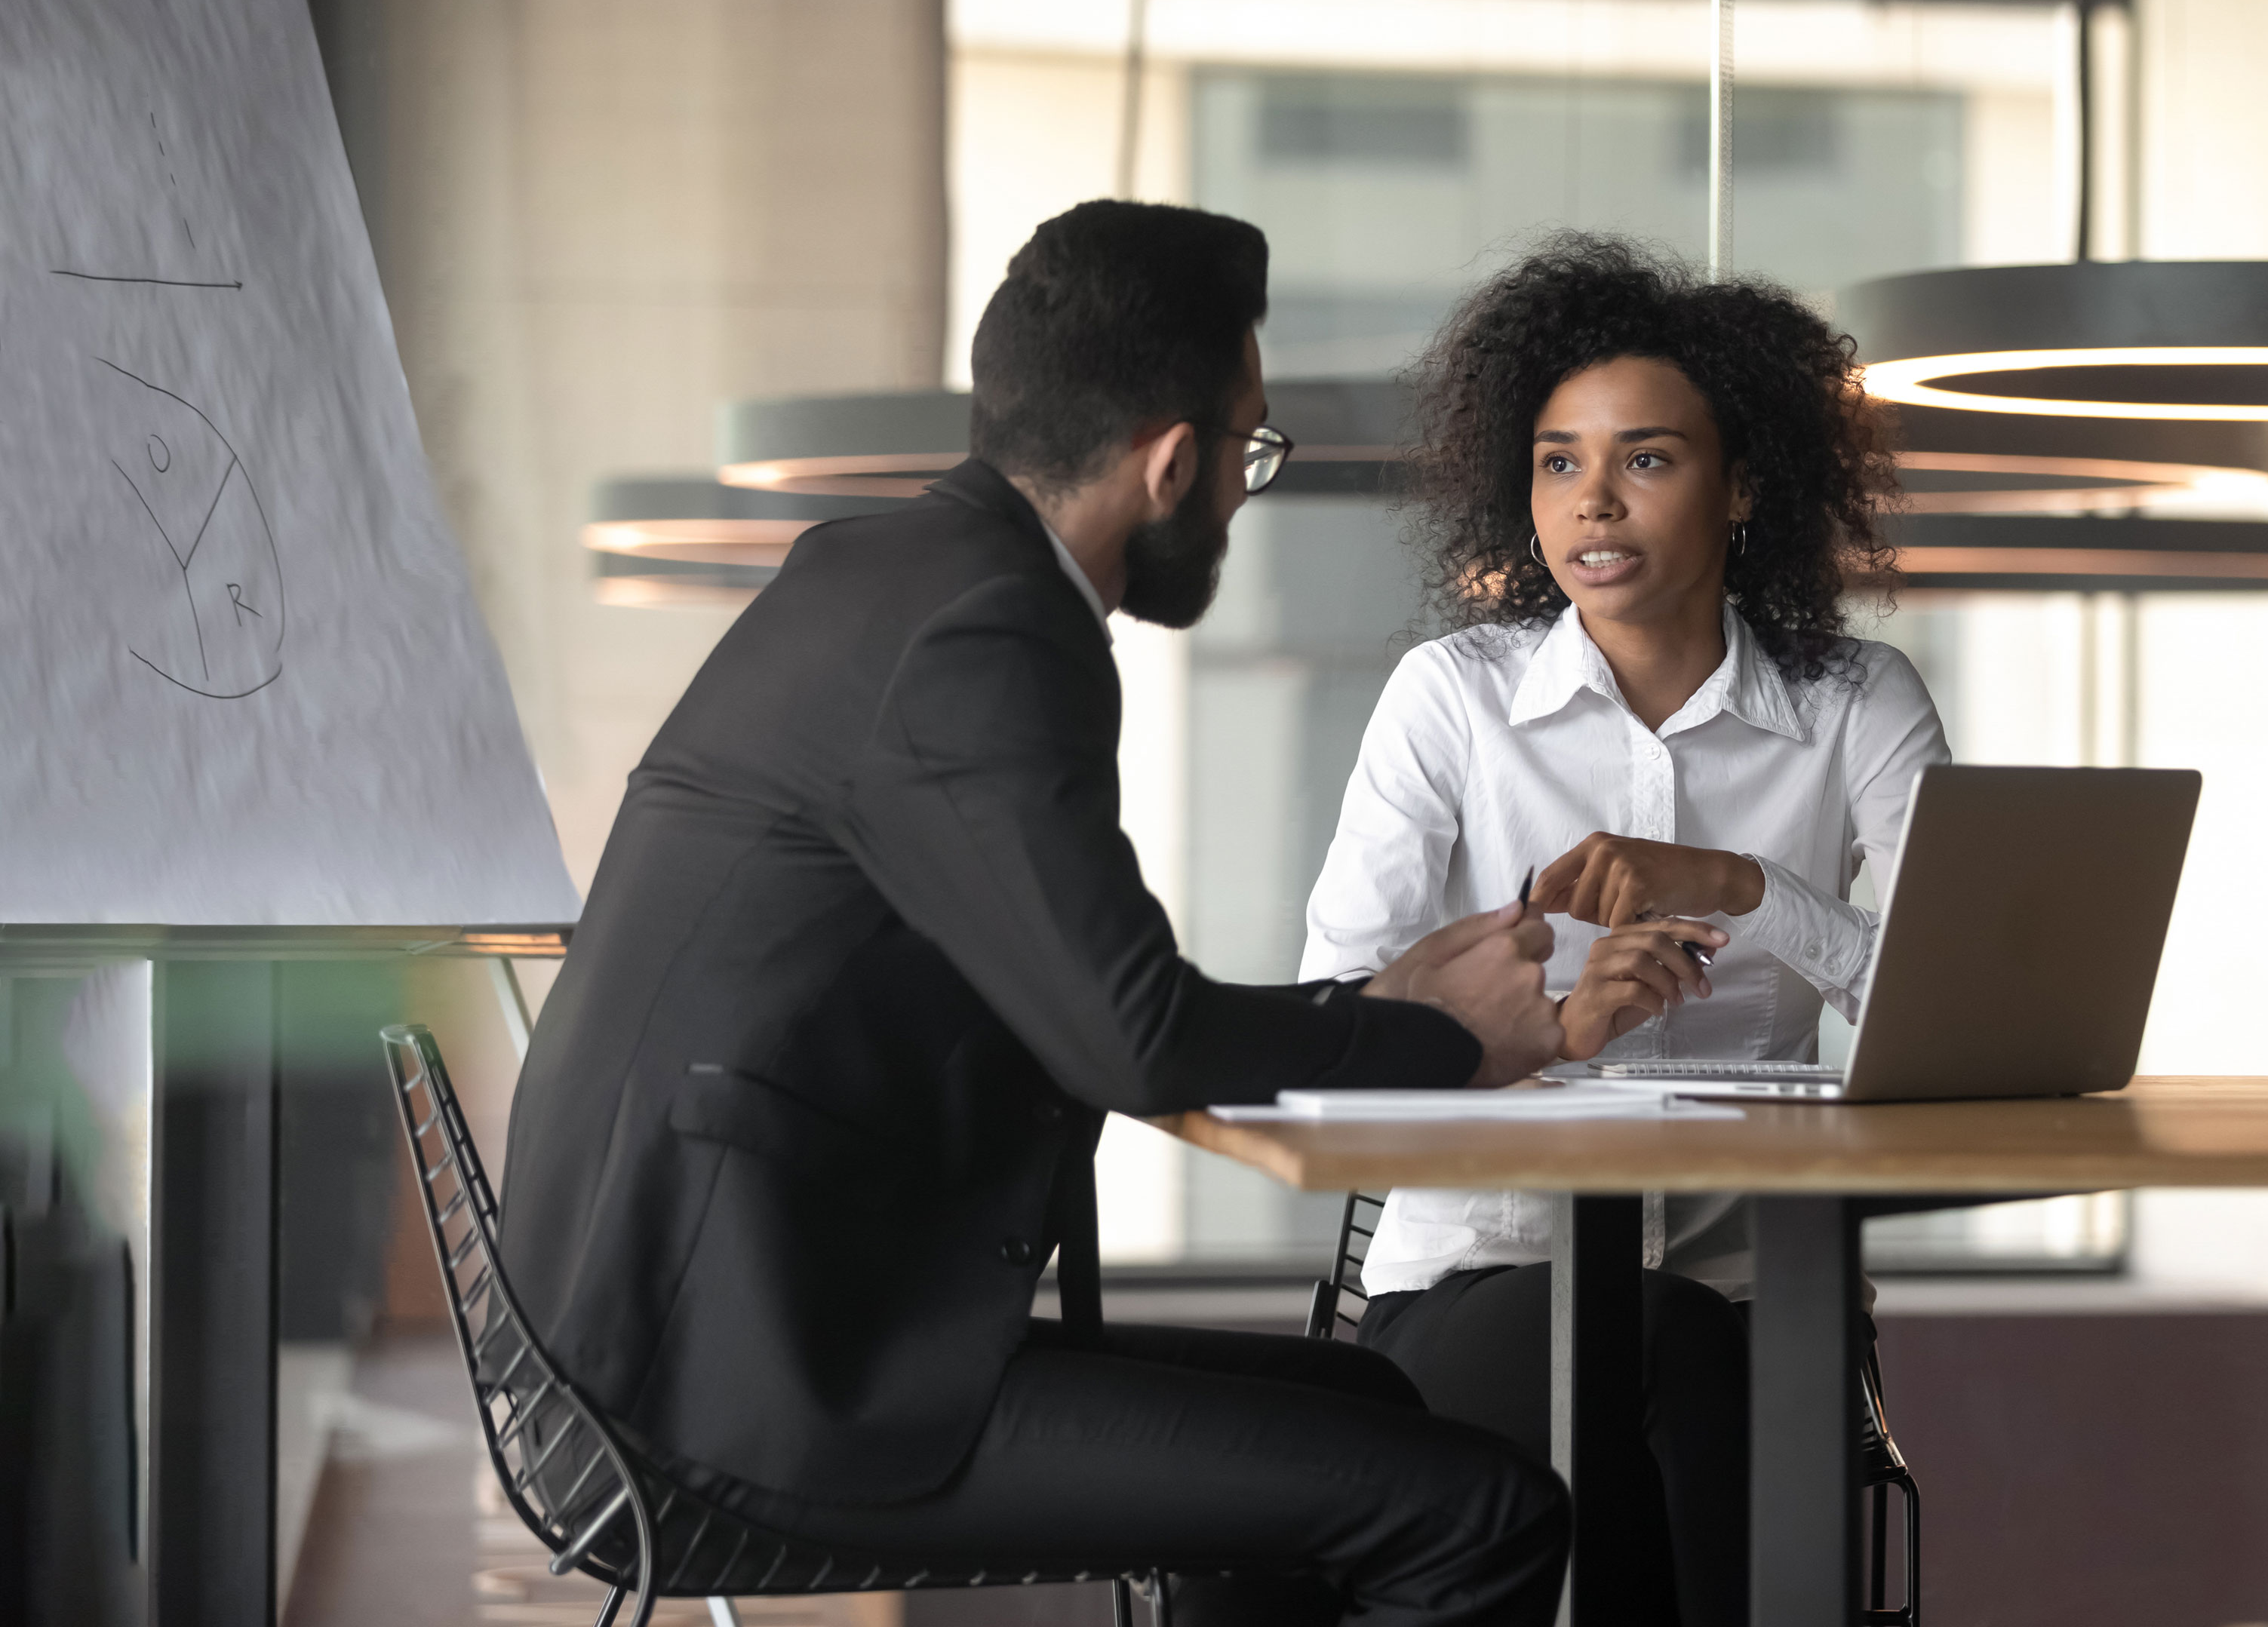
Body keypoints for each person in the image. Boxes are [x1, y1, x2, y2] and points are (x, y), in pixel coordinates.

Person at [500, 202, 1572, 1627]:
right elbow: (1129, 1035)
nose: (1246, 498)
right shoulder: (989, 634)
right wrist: (1442, 1044)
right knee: (1482, 1515)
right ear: (1172, 462)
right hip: (737, 1379)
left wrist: (1393, 1013)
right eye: (1249, 452)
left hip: (696, 1321)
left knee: (1366, 1400)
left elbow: (1080, 1000)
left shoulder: (886, 574)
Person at [1301, 233, 1950, 1624]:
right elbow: (1336, 1000)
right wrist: (1544, 1029)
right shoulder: (1452, 699)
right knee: (1657, 1350)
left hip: (1757, 1289)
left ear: (1745, 488)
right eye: (1558, 461)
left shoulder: (1857, 704)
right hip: (1479, 1279)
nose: (1593, 500)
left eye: (1646, 459)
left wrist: (1745, 887)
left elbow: (1951, 1004)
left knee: (1687, 1351)